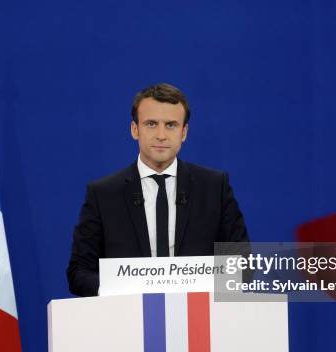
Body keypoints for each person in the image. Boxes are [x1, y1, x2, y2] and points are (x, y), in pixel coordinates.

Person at [67, 83, 249, 296]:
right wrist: (122, 288)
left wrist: (199, 286)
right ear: (135, 129)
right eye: (151, 124)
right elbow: (78, 273)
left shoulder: (214, 187)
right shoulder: (103, 194)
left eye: (171, 125)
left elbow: (241, 265)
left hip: (199, 319)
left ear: (184, 132)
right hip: (128, 319)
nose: (161, 135)